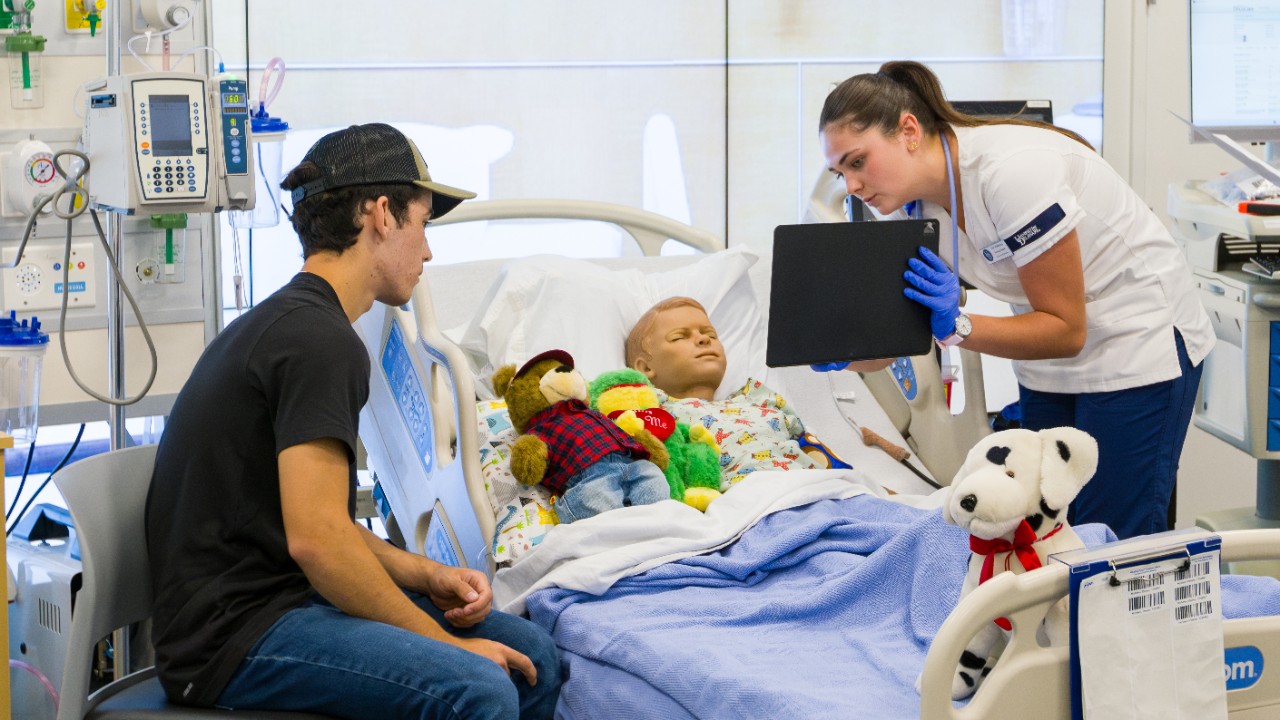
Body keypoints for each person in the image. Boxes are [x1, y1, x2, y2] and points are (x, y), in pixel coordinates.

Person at [145, 123, 560, 719]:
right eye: (423, 225)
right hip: (229, 640)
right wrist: (443, 644)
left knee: (533, 657)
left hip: (280, 600)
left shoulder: (298, 323)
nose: (428, 251)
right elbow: (318, 543)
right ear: (383, 216)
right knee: (481, 687)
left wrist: (427, 574)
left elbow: (323, 528)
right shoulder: (318, 342)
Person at [814, 61, 1214, 539]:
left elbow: (1067, 329)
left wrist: (957, 326)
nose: (852, 185)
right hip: (1046, 356)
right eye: (840, 172)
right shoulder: (910, 209)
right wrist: (842, 353)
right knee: (1045, 532)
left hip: (1138, 344)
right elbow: (897, 341)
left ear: (909, 130)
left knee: (1112, 544)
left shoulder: (1011, 173)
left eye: (858, 162)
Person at [625, 296, 825, 487]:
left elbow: (813, 447)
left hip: (818, 489)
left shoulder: (758, 400)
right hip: (751, 505)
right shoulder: (652, 416)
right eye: (679, 337)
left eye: (711, 334)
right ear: (644, 369)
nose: (704, 339)